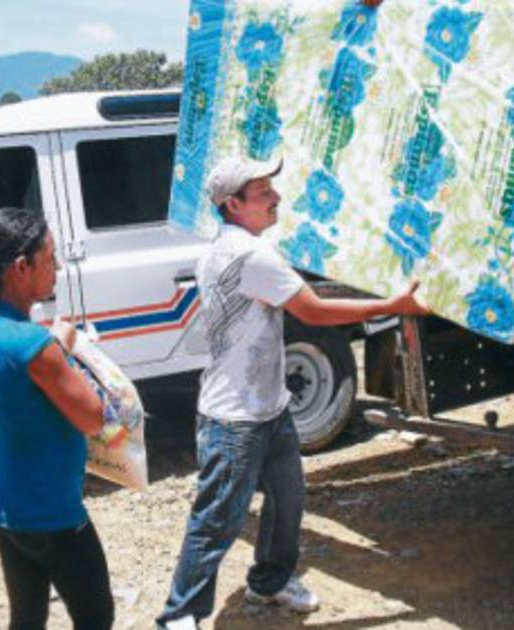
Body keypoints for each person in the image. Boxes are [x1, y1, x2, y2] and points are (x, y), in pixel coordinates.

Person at [156, 156, 429, 629]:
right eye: (263, 192)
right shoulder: (251, 256)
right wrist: (392, 304)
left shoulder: (221, 247)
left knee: (288, 500)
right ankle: (179, 615)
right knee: (217, 518)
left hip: (268, 408)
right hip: (235, 417)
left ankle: (270, 581)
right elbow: (315, 311)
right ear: (233, 204)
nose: (276, 198)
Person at [0, 207, 114, 630]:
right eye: (50, 258)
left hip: (2, 500)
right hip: (48, 508)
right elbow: (93, 418)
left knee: (26, 619)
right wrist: (79, 360)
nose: (57, 269)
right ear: (21, 267)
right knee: (96, 617)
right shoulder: (33, 344)